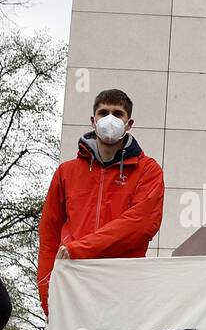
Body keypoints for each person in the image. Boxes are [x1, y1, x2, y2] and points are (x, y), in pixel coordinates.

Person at [36, 88, 164, 317]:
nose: (110, 119)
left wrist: (79, 249)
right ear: (93, 120)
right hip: (73, 289)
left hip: (122, 291)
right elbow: (49, 236)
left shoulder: (148, 170)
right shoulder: (66, 173)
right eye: (103, 112)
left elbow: (140, 225)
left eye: (118, 113)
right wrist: (47, 299)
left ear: (129, 123)